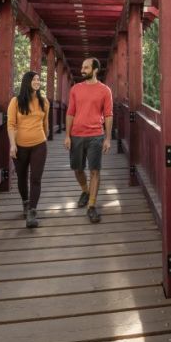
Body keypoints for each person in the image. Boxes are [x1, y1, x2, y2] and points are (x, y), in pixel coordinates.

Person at [64, 57, 112, 224]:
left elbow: (108, 115)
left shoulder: (105, 90)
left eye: (86, 67)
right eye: (82, 67)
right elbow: (70, 113)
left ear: (95, 70)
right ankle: (85, 190)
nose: (82, 70)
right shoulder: (75, 89)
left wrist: (108, 138)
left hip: (96, 136)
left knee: (95, 171)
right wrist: (67, 135)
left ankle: (91, 206)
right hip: (76, 135)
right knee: (77, 169)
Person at [7, 71, 50, 228]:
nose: (37, 81)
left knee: (36, 179)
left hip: (39, 145)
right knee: (22, 177)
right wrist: (12, 144)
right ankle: (25, 202)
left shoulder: (44, 102)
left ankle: (32, 211)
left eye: (39, 79)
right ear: (27, 82)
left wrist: (45, 140)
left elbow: (46, 124)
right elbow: (11, 124)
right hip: (19, 146)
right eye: (34, 79)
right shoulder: (16, 102)